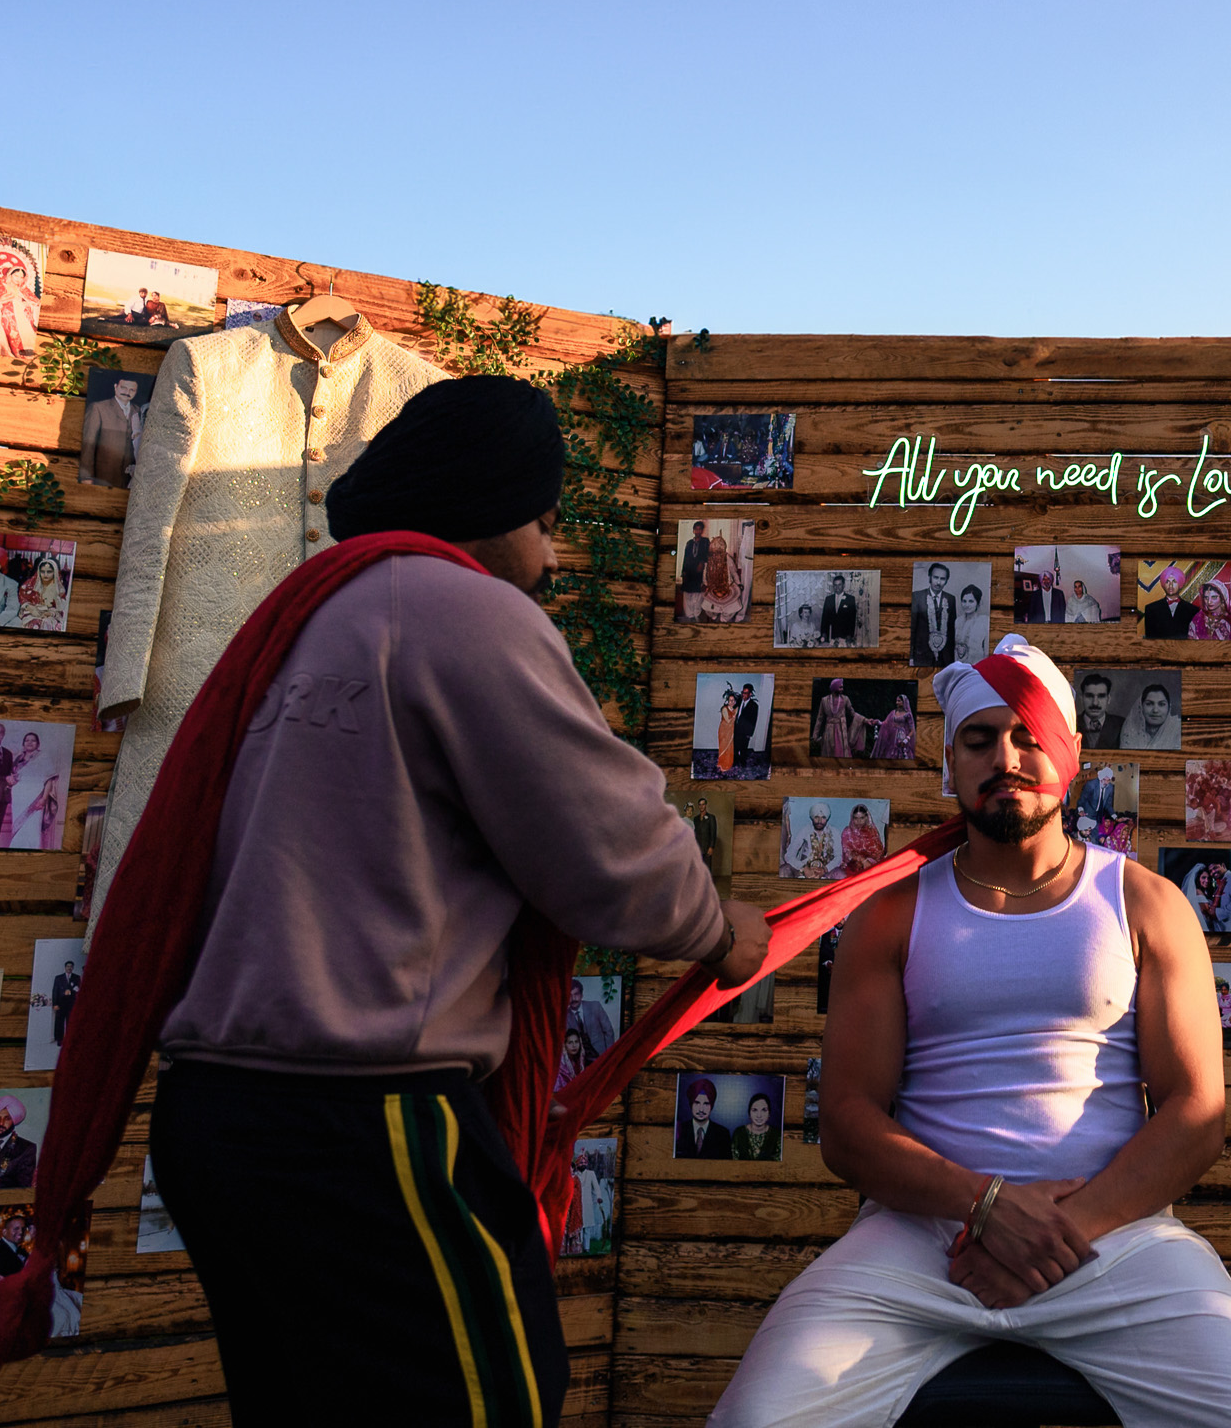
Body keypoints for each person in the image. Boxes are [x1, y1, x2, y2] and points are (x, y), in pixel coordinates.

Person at [123, 376, 767, 1426]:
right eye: (548, 523)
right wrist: (720, 930)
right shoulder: (461, 608)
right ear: (491, 500)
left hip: (218, 1120)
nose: (554, 560)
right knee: (491, 1401)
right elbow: (608, 849)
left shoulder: (307, 614)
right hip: (359, 1120)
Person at [710, 632, 1231, 1428]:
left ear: (1070, 755)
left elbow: (1197, 1115)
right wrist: (987, 1207)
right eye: (981, 738)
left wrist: (1057, 1232)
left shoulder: (1146, 903)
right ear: (949, 764)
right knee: (758, 1419)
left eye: (1029, 734)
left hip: (1116, 1240)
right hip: (921, 1242)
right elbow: (849, 1125)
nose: (1007, 755)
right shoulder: (891, 913)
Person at [81, 375, 147, 488]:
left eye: (132, 390)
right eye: (124, 388)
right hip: (103, 477)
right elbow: (88, 444)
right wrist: (86, 477)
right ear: (115, 387)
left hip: (129, 481)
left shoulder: (139, 411)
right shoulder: (98, 408)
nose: (127, 392)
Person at [912, 563, 959, 667]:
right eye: (935, 577)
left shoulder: (951, 599)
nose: (938, 582)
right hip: (922, 655)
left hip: (945, 656)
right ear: (929, 577)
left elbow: (952, 630)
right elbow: (912, 629)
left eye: (942, 579)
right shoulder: (917, 596)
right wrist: (911, 655)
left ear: (946, 581)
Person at [676, 1079, 733, 1159]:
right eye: (697, 1103)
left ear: (712, 1106)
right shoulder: (679, 1129)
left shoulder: (722, 1134)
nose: (701, 1109)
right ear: (691, 1104)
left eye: (706, 1104)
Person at [1117, 682, 1181, 750]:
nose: (1155, 710)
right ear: (1141, 707)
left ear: (1169, 707)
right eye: (1149, 704)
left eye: (1161, 704)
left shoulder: (1178, 730)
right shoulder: (1130, 731)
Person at [1144, 567, 1198, 639]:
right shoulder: (1151, 609)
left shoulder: (1193, 610)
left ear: (1180, 584)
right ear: (1163, 584)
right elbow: (1150, 638)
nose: (1171, 585)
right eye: (1167, 581)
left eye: (1174, 581)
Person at [18, 554, 68, 632]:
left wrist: (51, 613)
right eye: (42, 571)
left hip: (50, 617)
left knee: (49, 624)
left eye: (49, 572)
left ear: (54, 572)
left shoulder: (59, 589)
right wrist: (30, 608)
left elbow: (61, 609)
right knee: (34, 623)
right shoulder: (29, 585)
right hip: (31, 614)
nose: (45, 574)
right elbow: (23, 601)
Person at [731, 1091, 784, 1161]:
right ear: (749, 1113)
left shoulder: (777, 1135)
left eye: (764, 1110)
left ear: (769, 1114)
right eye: (755, 1110)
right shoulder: (739, 1133)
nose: (759, 1115)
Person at [839, 804, 887, 874]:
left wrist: (868, 861)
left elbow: (878, 852)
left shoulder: (872, 831)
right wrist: (862, 860)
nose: (859, 821)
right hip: (852, 864)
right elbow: (847, 853)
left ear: (867, 817)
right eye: (856, 818)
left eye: (862, 818)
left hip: (870, 864)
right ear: (852, 818)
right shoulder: (847, 832)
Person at [677, 520, 711, 620]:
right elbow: (685, 557)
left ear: (702, 531)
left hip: (699, 571)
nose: (698, 531)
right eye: (696, 529)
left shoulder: (705, 541)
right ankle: (689, 615)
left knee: (698, 593)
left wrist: (701, 562)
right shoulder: (689, 543)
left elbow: (707, 554)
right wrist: (683, 571)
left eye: (700, 529)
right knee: (688, 593)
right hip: (689, 570)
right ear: (693, 531)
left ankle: (696, 613)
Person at [818, 574, 859, 647]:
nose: (837, 587)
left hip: (845, 635)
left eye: (839, 585)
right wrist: (824, 633)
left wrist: (849, 635)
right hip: (831, 634)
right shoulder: (828, 599)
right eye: (835, 585)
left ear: (843, 585)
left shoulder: (850, 599)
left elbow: (852, 619)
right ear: (833, 586)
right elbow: (824, 618)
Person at [49, 959, 81, 1049]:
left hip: (71, 1004)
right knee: (59, 1022)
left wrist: (73, 991)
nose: (69, 968)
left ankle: (70, 1040)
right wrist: (55, 1004)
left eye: (71, 967)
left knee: (70, 1022)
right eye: (68, 966)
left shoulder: (76, 977)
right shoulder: (58, 978)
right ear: (65, 967)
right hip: (60, 1004)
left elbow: (79, 990)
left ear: (73, 968)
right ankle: (60, 1040)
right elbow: (55, 991)